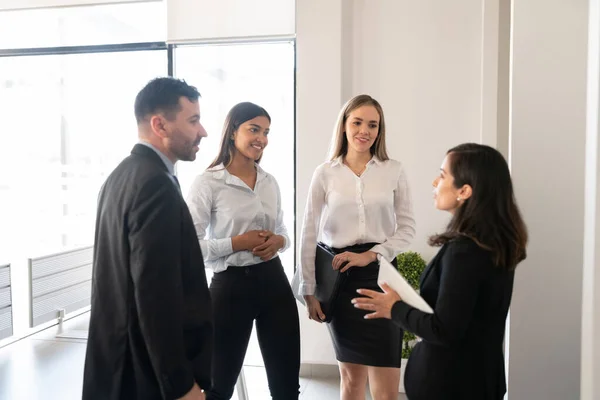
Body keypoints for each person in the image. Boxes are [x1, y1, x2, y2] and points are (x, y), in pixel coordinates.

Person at [352, 143, 528, 400]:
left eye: (443, 175)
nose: (435, 181)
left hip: (452, 384)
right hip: (481, 379)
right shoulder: (496, 244)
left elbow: (444, 329)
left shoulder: (465, 252)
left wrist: (395, 308)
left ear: (465, 191)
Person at [82, 77, 212, 400]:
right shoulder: (156, 185)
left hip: (115, 364)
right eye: (193, 120)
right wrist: (180, 385)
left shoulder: (119, 177)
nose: (203, 131)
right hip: (144, 375)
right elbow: (157, 296)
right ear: (160, 125)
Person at [297, 94, 416, 400]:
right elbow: (309, 231)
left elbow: (407, 229)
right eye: (358, 122)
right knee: (350, 381)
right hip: (339, 280)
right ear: (344, 125)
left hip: (381, 279)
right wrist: (309, 289)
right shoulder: (324, 173)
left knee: (387, 388)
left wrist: (370, 255)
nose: (365, 130)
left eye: (373, 125)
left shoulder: (394, 170)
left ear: (380, 130)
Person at [186, 102, 300, 400]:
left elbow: (284, 230)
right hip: (230, 289)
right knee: (217, 386)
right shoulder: (207, 183)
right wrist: (238, 243)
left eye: (266, 132)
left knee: (287, 386)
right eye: (253, 129)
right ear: (233, 130)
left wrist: (280, 242)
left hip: (274, 283)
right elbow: (189, 249)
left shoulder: (269, 182)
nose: (261, 138)